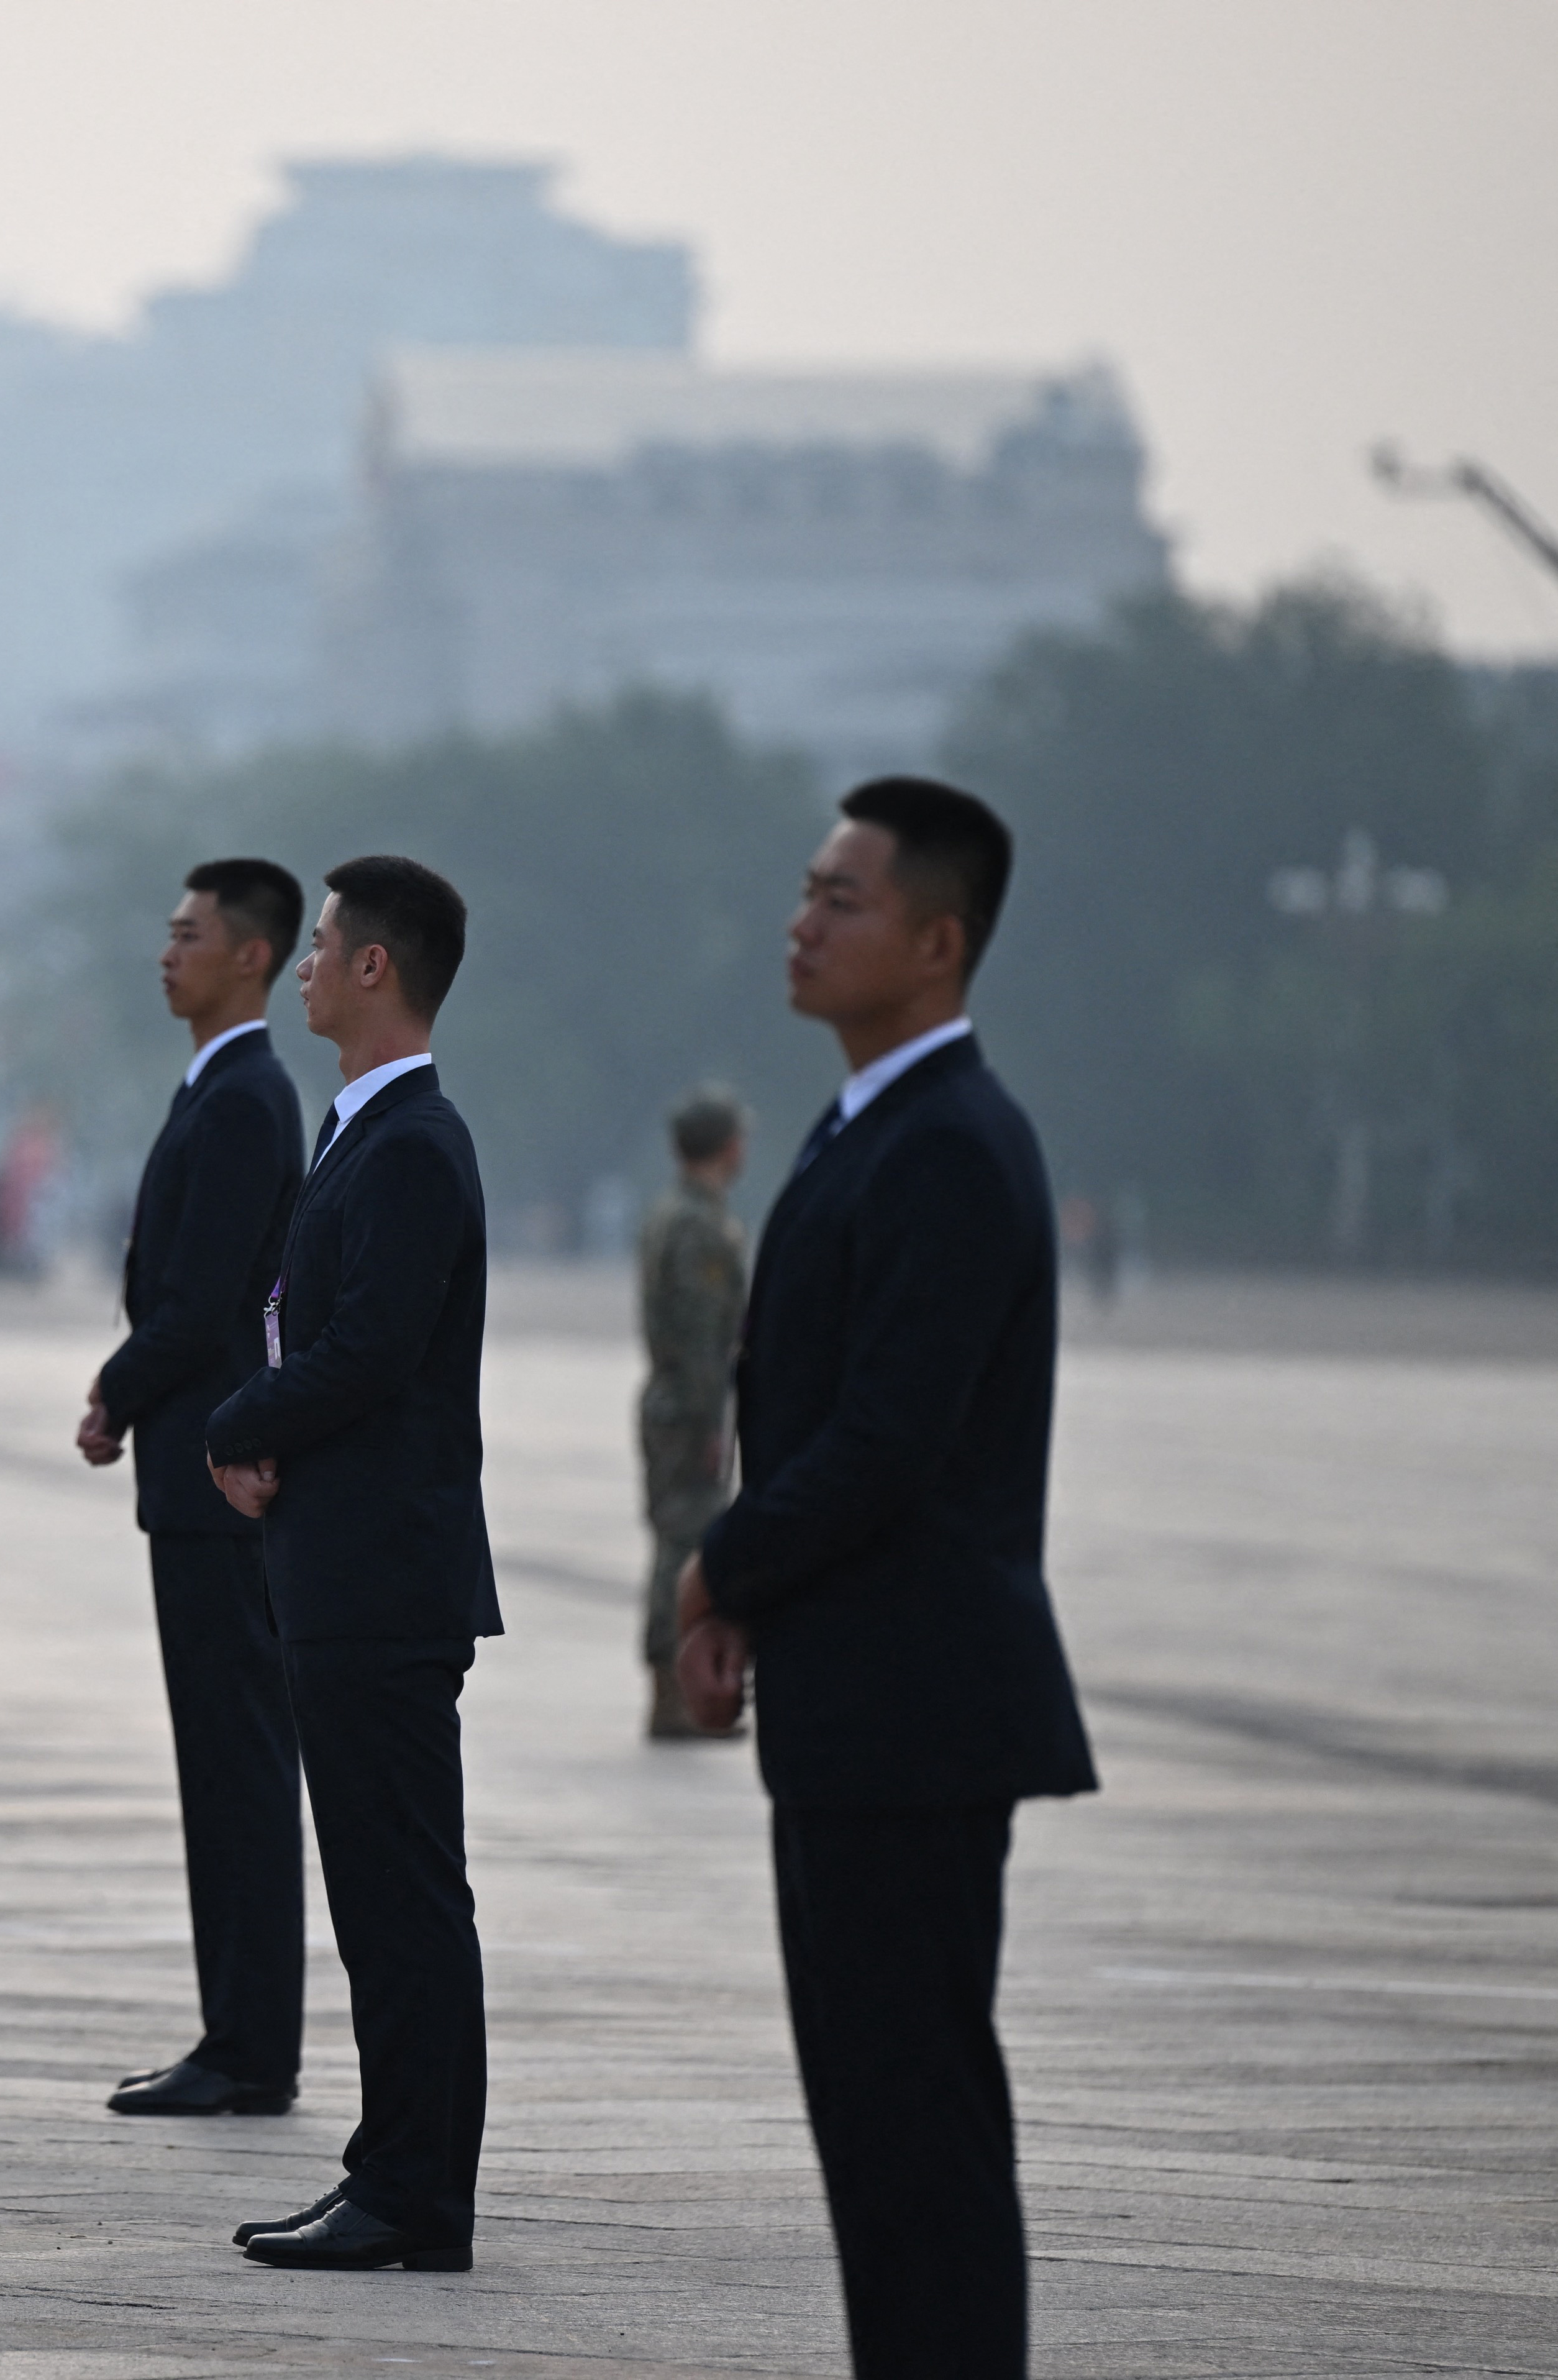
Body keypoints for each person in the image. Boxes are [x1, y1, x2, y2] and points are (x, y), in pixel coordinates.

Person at [671, 778, 1097, 2380]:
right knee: (875, 2118)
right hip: (861, 1700)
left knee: (914, 2121)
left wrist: (719, 1566)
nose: (800, 923)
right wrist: (751, 1599)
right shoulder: (875, 1125)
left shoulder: (950, 1145)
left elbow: (886, 1438)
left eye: (840, 901)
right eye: (805, 891)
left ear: (937, 941)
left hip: (917, 1709)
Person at [202, 855, 494, 2274]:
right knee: (381, 1893)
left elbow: (370, 1350)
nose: (304, 967)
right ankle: (398, 2173)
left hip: (383, 1576)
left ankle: (414, 2188)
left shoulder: (413, 1145)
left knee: (403, 1895)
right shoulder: (361, 1133)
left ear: (376, 965)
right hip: (343, 1567)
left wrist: (240, 1421)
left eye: (321, 946)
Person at [80, 859, 311, 2118]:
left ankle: (249, 2046)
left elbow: (198, 1298)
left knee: (237, 1763)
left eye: (187, 935)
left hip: (214, 1471)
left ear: (250, 954)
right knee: (218, 1763)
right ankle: (233, 2031)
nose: (165, 954)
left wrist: (114, 1387)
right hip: (192, 1467)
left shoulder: (241, 1099)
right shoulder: (216, 1088)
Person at [637, 1087, 751, 1739]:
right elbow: (704, 1335)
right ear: (727, 1146)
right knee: (683, 1544)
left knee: (673, 1538)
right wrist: (713, 1424)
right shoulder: (700, 1227)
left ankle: (669, 1689)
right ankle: (672, 1692)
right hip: (689, 1407)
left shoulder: (670, 1214)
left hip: (669, 1400)